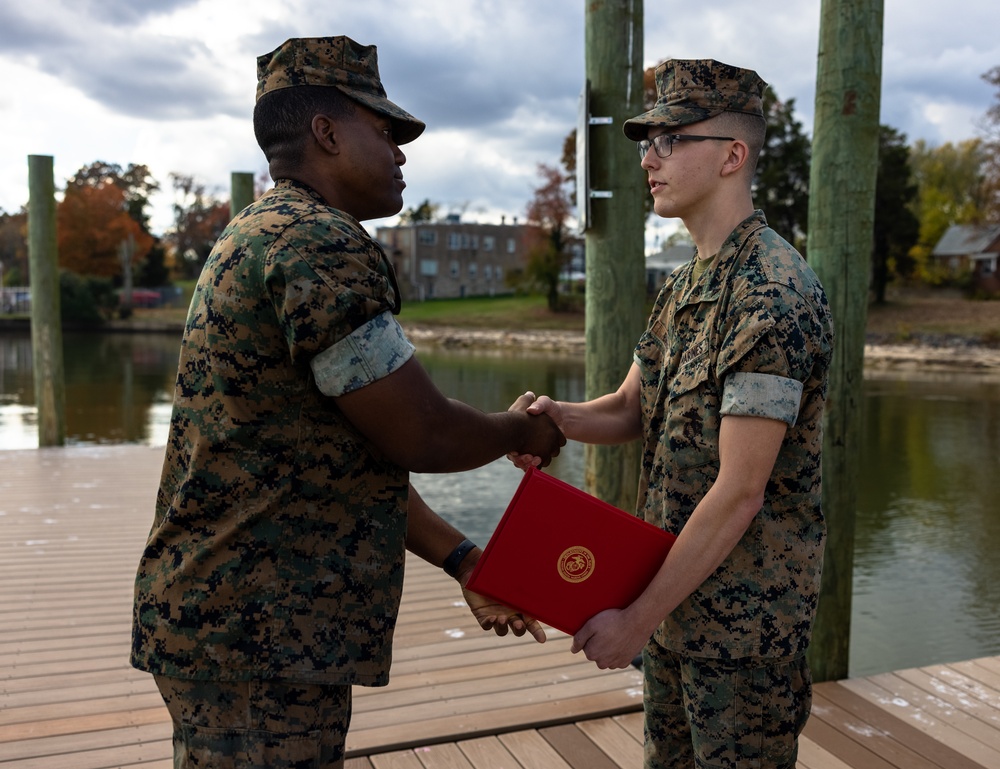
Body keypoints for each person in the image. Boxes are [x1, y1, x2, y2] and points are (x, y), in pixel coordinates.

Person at [130, 35, 564, 769]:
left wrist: (464, 559)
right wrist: (527, 429)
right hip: (258, 641)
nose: (400, 153)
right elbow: (421, 432)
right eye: (385, 131)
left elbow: (346, 457)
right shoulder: (316, 244)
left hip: (237, 630)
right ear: (327, 133)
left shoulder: (262, 231)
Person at [512, 59, 835, 768]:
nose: (649, 158)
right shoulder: (688, 282)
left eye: (670, 138)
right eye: (644, 140)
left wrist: (634, 619)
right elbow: (632, 405)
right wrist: (549, 418)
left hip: (743, 636)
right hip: (674, 611)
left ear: (732, 155)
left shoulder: (770, 293)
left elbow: (740, 489)